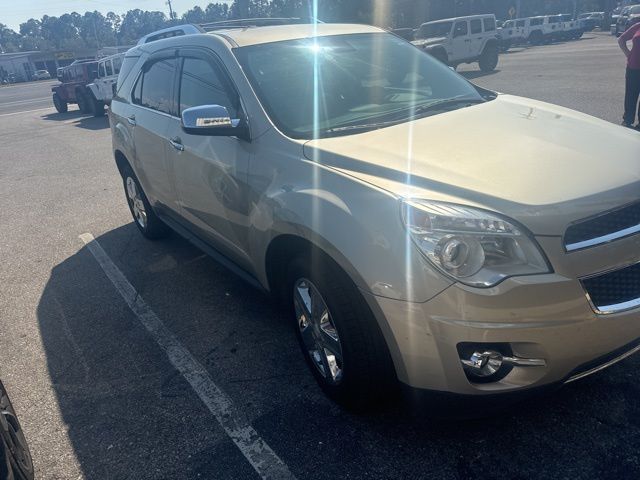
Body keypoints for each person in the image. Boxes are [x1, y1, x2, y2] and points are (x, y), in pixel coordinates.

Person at [618, 21, 640, 128]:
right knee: (630, 95)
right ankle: (627, 120)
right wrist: (628, 54)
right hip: (633, 68)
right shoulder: (638, 26)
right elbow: (621, 39)